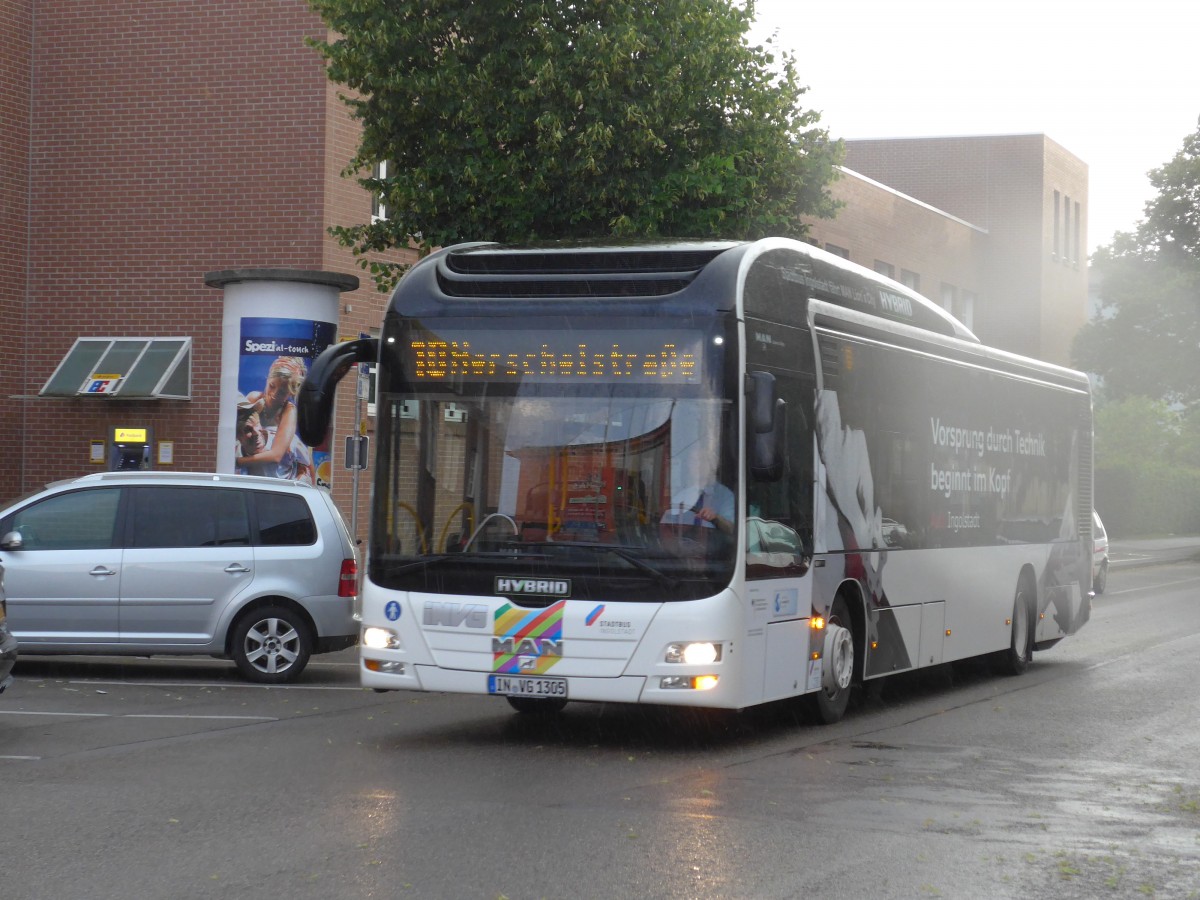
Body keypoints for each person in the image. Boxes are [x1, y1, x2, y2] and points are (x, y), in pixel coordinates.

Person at [236, 356, 315, 484]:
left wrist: (238, 462)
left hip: (288, 472)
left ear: (291, 393)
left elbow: (276, 455)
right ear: (267, 380)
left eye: (282, 392)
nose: (273, 394)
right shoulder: (254, 398)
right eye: (272, 386)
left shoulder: (289, 411)